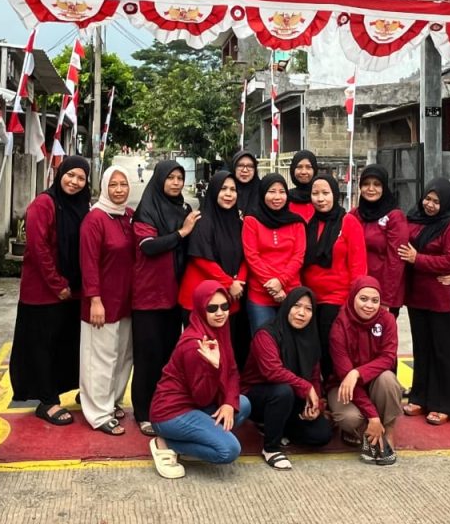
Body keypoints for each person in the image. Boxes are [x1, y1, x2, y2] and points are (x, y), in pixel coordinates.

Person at [10, 156, 89, 426]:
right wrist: (58, 284)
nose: (74, 182)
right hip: (43, 292)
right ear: (60, 174)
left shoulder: (81, 206)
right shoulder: (44, 204)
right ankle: (47, 401)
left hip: (72, 291)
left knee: (66, 345)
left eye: (81, 178)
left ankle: (71, 391)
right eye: (70, 175)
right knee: (42, 347)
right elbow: (38, 248)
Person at [149, 281, 251, 479]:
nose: (220, 313)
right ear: (200, 309)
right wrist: (213, 368)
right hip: (171, 413)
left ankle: (199, 440)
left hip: (194, 405)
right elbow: (202, 398)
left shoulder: (219, 330)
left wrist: (229, 403)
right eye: (212, 308)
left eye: (224, 306)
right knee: (229, 450)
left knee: (242, 404)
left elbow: (232, 372)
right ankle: (166, 443)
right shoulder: (194, 345)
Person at [131, 160, 200, 436]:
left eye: (179, 178)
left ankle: (164, 406)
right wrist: (181, 232)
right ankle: (143, 412)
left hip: (175, 295)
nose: (175, 183)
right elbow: (148, 246)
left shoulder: (184, 209)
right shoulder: (146, 209)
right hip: (149, 296)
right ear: (159, 179)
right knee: (147, 357)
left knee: (168, 357)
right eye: (170, 177)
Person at [241, 287, 331, 469]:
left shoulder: (311, 337)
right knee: (283, 391)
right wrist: (306, 387)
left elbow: (314, 376)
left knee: (321, 435)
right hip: (259, 396)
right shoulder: (266, 334)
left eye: (308, 309)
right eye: (296, 306)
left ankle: (277, 425)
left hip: (293, 396)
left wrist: (315, 406)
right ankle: (271, 448)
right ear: (287, 306)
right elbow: (272, 371)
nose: (301, 313)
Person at [399, 178, 450, 426]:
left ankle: (444, 404)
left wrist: (418, 259)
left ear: (445, 202)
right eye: (427, 198)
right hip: (417, 297)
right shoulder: (414, 218)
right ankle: (420, 397)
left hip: (440, 297)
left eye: (436, 201)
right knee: (422, 349)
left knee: (442, 352)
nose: (430, 205)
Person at [78, 165, 136, 436]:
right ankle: (98, 413)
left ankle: (112, 401)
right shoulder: (95, 219)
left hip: (126, 300)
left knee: (123, 356)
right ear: (103, 187)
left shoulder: (128, 216)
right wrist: (94, 299)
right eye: (113, 185)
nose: (119, 190)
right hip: (101, 302)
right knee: (100, 359)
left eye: (123, 184)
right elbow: (88, 263)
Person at [179, 171, 251, 367]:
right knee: (200, 357)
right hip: (200, 300)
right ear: (213, 191)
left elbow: (247, 255)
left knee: (227, 354)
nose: (228, 194)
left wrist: (239, 282)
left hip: (230, 298)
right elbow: (201, 258)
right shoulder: (202, 220)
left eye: (233, 190)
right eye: (223, 189)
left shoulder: (239, 223)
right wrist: (229, 283)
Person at [328, 276, 401, 465]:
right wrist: (373, 416)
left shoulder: (387, 320)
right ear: (353, 297)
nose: (369, 305)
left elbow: (388, 358)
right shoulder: (340, 326)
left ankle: (388, 432)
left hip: (374, 381)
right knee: (349, 418)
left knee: (388, 379)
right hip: (344, 385)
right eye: (363, 299)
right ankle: (367, 432)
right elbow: (345, 376)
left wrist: (357, 372)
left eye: (375, 300)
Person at [301, 173, 366, 381]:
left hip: (338, 299)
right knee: (313, 350)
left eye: (325, 193)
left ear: (335, 194)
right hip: (311, 299)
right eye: (315, 194)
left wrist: (353, 301)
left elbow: (358, 266)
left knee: (332, 348)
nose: (320, 199)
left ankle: (335, 387)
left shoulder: (349, 222)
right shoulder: (309, 223)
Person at [242, 173, 306, 334]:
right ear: (263, 193)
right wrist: (274, 288)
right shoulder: (252, 220)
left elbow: (298, 256)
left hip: (291, 293)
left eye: (282, 192)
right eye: (271, 191)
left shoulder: (296, 222)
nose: (277, 197)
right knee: (264, 341)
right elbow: (252, 256)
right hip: (260, 295)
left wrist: (281, 281)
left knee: (291, 341)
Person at [349, 165, 410, 317]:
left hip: (383, 292)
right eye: (366, 184)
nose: (371, 189)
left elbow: (396, 261)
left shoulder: (395, 217)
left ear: (384, 187)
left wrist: (385, 299)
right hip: (357, 288)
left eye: (376, 184)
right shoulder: (354, 215)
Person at [286, 150, 318, 221]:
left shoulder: (321, 198)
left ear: (314, 170)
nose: (303, 172)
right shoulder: (285, 198)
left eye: (308, 167)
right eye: (299, 167)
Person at [230, 150, 260, 218]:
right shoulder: (225, 190)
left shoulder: (263, 191)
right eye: (240, 165)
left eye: (250, 166)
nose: (245, 170)